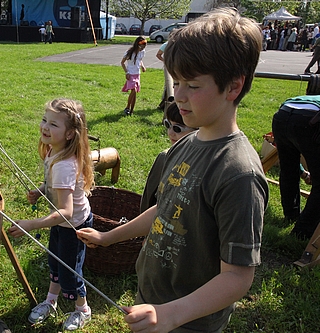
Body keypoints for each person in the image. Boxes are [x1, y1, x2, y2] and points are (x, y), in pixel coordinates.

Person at [77, 8, 268, 332]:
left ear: (234, 87)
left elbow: (238, 277)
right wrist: (109, 238)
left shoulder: (239, 175)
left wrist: (173, 314)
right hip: (153, 301)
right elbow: (164, 210)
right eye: (176, 82)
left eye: (192, 85)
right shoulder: (184, 144)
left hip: (189, 321)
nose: (177, 96)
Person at [8, 98, 94, 331]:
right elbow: (55, 186)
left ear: (69, 134)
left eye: (54, 124)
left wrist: (31, 224)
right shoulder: (53, 152)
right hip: (62, 223)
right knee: (54, 264)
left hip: (74, 227)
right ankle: (50, 302)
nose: (45, 127)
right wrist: (42, 190)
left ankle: (82, 309)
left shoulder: (65, 165)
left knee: (70, 274)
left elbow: (65, 212)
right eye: (45, 120)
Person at [272, 95, 320, 243]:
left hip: (282, 115)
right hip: (310, 119)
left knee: (288, 171)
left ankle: (291, 215)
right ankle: (302, 234)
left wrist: (303, 172)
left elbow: (288, 150)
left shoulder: (311, 98)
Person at [140, 103, 197, 213]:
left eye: (178, 128)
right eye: (168, 124)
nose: (170, 132)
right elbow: (148, 199)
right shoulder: (164, 158)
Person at [121, 36, 147, 116]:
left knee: (134, 92)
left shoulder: (142, 52)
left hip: (137, 74)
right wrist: (126, 73)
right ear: (138, 45)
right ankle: (128, 107)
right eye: (142, 47)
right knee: (134, 90)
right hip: (130, 74)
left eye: (144, 47)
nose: (142, 49)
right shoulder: (130, 52)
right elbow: (122, 63)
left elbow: (140, 60)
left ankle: (131, 110)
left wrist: (142, 66)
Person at [156, 40, 173, 111]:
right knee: (168, 85)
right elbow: (158, 54)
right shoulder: (166, 44)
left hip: (177, 66)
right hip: (169, 67)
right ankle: (164, 103)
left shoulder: (179, 43)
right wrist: (165, 61)